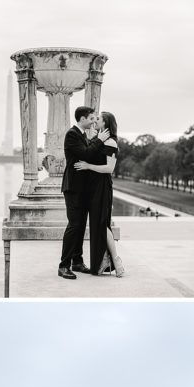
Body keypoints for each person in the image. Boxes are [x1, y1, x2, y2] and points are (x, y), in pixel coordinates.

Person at [74, 110, 123, 276]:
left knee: (102, 225)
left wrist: (88, 166)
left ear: (106, 123)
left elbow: (109, 168)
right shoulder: (99, 139)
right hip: (92, 187)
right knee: (96, 225)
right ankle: (102, 262)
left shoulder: (111, 143)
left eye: (99, 119)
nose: (95, 120)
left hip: (102, 186)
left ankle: (116, 260)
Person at [59, 103, 94, 279]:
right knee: (73, 226)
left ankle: (77, 262)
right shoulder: (72, 134)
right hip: (73, 187)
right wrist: (99, 140)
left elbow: (89, 153)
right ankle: (63, 265)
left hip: (84, 188)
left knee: (81, 226)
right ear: (82, 119)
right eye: (91, 118)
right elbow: (87, 154)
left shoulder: (84, 135)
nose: (93, 121)